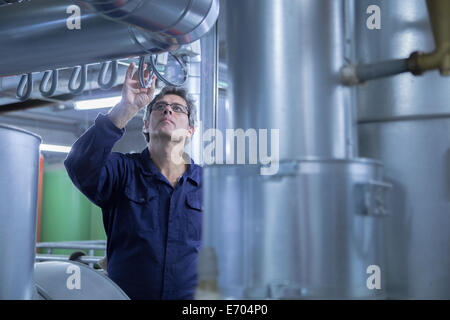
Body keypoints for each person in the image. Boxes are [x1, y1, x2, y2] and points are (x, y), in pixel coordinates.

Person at [64, 62, 202, 300]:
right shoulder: (122, 171)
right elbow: (79, 165)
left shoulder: (208, 184)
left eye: (178, 108)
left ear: (190, 129)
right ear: (146, 125)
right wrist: (125, 108)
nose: (168, 111)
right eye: (160, 107)